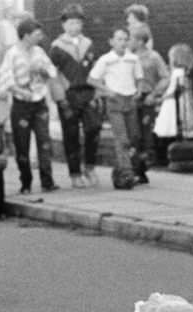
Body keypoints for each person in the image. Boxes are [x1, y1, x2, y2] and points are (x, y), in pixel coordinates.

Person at [0, 16, 57, 196]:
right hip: (21, 103)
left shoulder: (39, 52)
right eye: (36, 34)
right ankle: (26, 182)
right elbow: (6, 78)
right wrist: (20, 90)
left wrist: (43, 70)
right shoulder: (12, 53)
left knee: (44, 140)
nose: (40, 37)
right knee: (22, 144)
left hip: (39, 101)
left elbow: (52, 71)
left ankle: (48, 181)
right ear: (25, 35)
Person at [49, 4, 97, 188]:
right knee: (71, 135)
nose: (75, 26)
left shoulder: (88, 44)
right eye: (71, 23)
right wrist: (59, 98)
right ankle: (75, 173)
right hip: (69, 94)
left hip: (87, 92)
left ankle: (90, 166)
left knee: (94, 128)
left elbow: (95, 69)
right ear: (64, 25)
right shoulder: (57, 47)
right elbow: (53, 75)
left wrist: (97, 92)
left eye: (78, 22)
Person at [88, 26, 143, 185]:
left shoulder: (133, 59)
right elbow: (92, 79)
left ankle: (119, 170)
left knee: (133, 137)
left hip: (130, 99)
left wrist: (138, 91)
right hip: (114, 101)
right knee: (122, 138)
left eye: (126, 39)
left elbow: (139, 77)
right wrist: (107, 90)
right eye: (119, 39)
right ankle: (127, 173)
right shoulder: (105, 60)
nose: (123, 43)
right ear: (111, 41)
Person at [130, 23, 167, 173]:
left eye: (131, 38)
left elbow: (165, 77)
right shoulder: (127, 57)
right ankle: (133, 167)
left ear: (140, 41)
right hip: (131, 97)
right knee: (132, 133)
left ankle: (142, 169)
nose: (128, 41)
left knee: (145, 134)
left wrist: (154, 94)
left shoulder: (154, 57)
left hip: (146, 98)